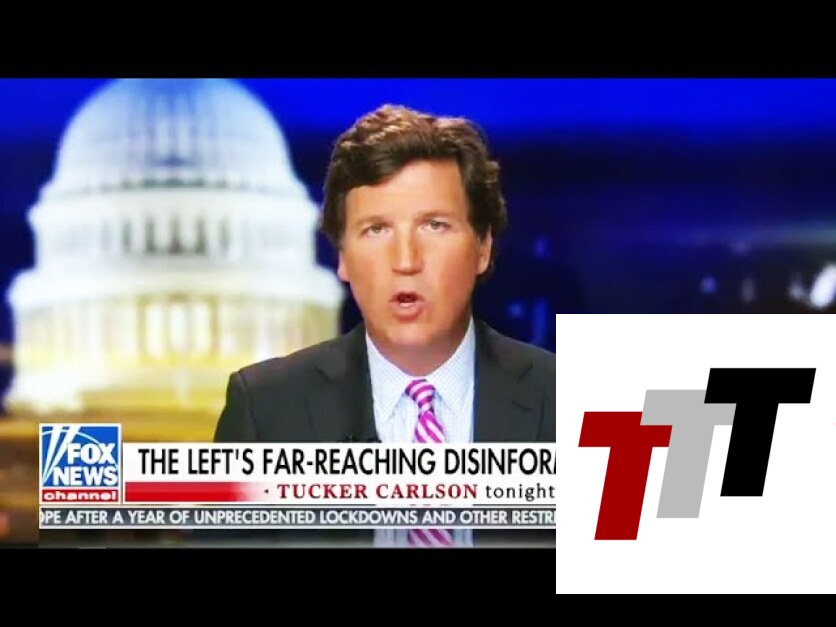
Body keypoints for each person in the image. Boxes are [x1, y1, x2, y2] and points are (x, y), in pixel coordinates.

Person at [213, 104, 555, 547]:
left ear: (483, 248)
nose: (406, 260)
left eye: (434, 226)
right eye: (376, 230)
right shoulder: (265, 411)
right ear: (342, 257)